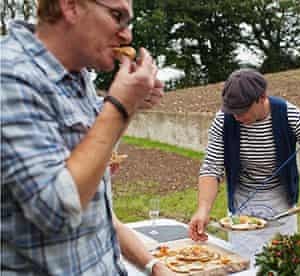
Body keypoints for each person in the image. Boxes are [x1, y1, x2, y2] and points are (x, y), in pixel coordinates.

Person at [1, 0, 174, 275]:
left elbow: (94, 205)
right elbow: (57, 210)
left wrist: (131, 106)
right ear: (70, 6)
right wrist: (121, 106)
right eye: (117, 16)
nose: (127, 35)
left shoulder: (77, 77)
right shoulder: (10, 76)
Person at [188, 69, 300, 262]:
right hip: (242, 211)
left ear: (262, 97)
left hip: (281, 210)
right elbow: (211, 166)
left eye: (243, 111)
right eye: (233, 112)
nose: (237, 117)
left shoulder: (289, 115)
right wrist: (203, 209)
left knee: (280, 266)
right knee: (244, 266)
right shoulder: (224, 119)